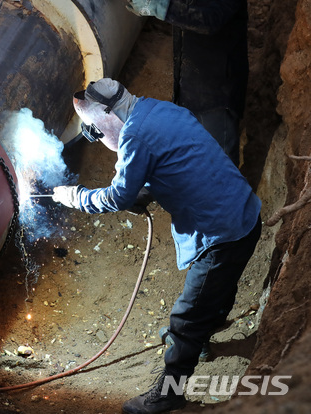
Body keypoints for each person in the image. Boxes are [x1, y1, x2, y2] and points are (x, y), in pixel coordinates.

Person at [52, 78, 261, 414]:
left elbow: (118, 195)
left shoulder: (134, 135)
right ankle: (199, 338)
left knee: (187, 315)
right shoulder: (159, 108)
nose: (97, 139)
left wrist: (75, 197)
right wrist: (146, 191)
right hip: (244, 214)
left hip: (222, 234)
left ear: (106, 116)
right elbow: (179, 160)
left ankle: (168, 394)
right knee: (215, 292)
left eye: (93, 131)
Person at [124, 0, 248, 166]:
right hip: (189, 83)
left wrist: (159, 7)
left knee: (220, 166)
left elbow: (211, 18)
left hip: (217, 90)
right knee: (192, 159)